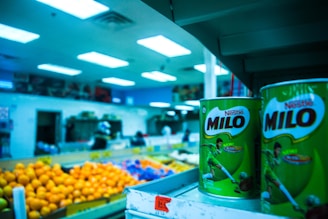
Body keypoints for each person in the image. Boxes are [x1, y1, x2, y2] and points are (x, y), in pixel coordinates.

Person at [262, 142, 301, 211]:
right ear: (274, 149)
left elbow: (278, 163)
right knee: (281, 186)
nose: (279, 152)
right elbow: (264, 151)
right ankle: (294, 204)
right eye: (278, 150)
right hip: (268, 171)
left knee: (269, 195)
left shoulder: (277, 158)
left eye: (280, 150)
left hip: (267, 173)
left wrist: (276, 161)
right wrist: (265, 151)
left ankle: (262, 197)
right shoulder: (270, 152)